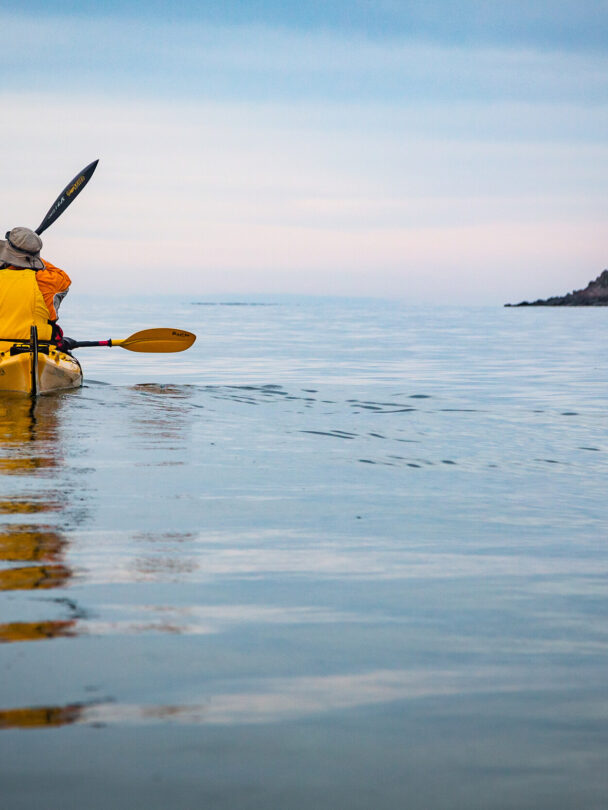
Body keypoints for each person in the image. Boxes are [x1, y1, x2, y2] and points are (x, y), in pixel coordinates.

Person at [0, 227, 72, 352]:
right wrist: (30, 258)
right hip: (39, 349)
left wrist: (8, 259)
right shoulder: (47, 281)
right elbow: (64, 278)